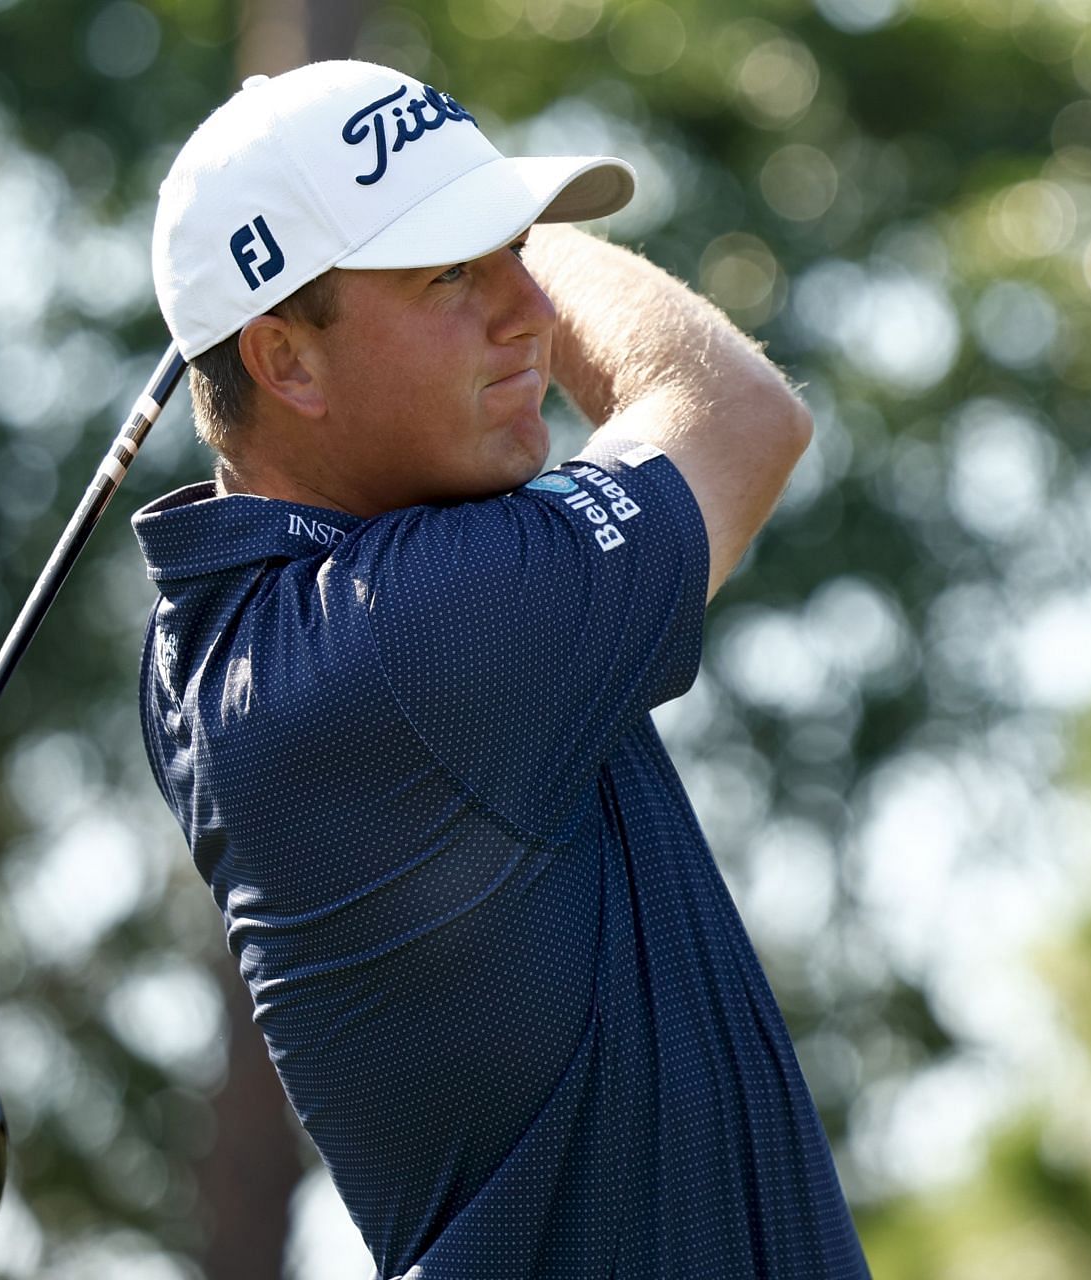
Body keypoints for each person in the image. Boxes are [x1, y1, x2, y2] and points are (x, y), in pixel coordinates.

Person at [131, 60, 869, 1278]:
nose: (529, 306)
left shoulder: (233, 646)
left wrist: (462, 210)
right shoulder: (411, 637)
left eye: (519, 251)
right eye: (453, 272)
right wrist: (489, 204)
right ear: (287, 361)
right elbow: (737, 410)